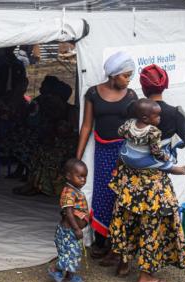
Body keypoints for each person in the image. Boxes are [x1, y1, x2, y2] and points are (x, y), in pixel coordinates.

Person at [107, 66, 185, 282]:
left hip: (127, 176)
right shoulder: (174, 113)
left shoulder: (132, 109)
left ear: (143, 87)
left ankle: (123, 262)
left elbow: (123, 134)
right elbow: (180, 141)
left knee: (125, 217)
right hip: (154, 178)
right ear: (165, 85)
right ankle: (145, 274)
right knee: (152, 223)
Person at [76, 51, 138, 260]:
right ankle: (101, 241)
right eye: (125, 75)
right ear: (113, 75)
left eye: (130, 76)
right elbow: (86, 126)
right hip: (102, 151)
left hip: (123, 151)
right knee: (103, 193)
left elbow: (133, 128)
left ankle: (117, 244)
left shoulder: (131, 96)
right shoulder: (93, 93)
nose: (128, 80)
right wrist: (78, 156)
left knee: (119, 196)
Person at [118, 99, 185, 175]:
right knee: (159, 161)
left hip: (125, 156)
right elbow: (155, 151)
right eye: (157, 116)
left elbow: (120, 132)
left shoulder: (130, 123)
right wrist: (164, 156)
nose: (159, 117)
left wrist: (131, 137)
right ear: (145, 118)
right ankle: (172, 169)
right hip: (139, 161)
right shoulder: (153, 131)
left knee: (125, 145)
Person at [48, 158, 89, 282]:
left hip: (73, 230)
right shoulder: (68, 192)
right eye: (79, 176)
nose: (83, 180)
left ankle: (70, 275)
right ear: (68, 176)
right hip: (68, 231)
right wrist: (76, 228)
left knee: (75, 253)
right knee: (68, 253)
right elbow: (68, 212)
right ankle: (55, 270)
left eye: (84, 177)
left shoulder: (75, 189)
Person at [139, 64, 185, 157]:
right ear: (164, 84)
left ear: (143, 88)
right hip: (164, 165)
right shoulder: (176, 112)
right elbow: (182, 143)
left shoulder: (137, 112)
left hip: (139, 164)